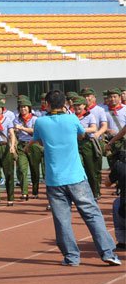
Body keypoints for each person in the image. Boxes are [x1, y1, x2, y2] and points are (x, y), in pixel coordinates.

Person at [27, 90, 120, 267]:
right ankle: (107, 252)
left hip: (55, 179)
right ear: (65, 104)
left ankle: (71, 257)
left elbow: (38, 140)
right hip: (76, 176)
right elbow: (81, 135)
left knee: (62, 220)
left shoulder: (40, 122)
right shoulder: (72, 119)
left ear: (46, 104)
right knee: (92, 214)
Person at [81, 88, 109, 192]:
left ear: (94, 97)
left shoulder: (99, 110)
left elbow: (104, 125)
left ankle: (96, 190)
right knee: (85, 168)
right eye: (84, 96)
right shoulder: (79, 110)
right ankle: (91, 190)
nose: (87, 98)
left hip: (96, 141)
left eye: (89, 96)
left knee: (95, 169)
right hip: (82, 142)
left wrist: (97, 134)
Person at [15, 97, 43, 199]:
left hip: (33, 144)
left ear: (29, 108)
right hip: (22, 145)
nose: (23, 109)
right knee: (22, 169)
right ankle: (24, 192)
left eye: (25, 107)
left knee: (34, 169)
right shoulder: (17, 119)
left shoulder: (35, 119)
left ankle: (35, 191)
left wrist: (22, 128)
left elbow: (35, 132)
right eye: (21, 107)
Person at [105, 88, 126, 167]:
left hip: (123, 142)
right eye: (110, 97)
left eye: (115, 96)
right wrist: (107, 129)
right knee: (113, 166)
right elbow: (100, 126)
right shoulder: (104, 110)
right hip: (111, 142)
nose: (112, 99)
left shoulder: (125, 109)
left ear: (119, 97)